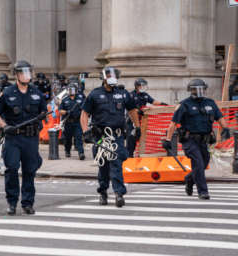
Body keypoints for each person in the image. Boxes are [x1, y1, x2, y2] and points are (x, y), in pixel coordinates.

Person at [0, 60, 47, 215]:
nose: (27, 75)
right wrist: (4, 126)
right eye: (24, 72)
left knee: (30, 171)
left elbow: (44, 111)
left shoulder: (36, 92)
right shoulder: (8, 92)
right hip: (13, 138)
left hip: (31, 138)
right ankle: (12, 202)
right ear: (16, 74)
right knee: (12, 169)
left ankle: (28, 203)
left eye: (29, 72)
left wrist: (42, 116)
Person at [80, 66, 140, 207]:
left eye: (114, 75)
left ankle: (119, 194)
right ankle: (103, 192)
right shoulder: (95, 94)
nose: (112, 78)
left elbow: (132, 110)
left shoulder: (123, 93)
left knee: (116, 162)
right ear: (104, 78)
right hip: (101, 136)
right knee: (104, 166)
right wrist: (85, 131)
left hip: (117, 135)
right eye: (109, 75)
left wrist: (137, 127)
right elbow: (84, 114)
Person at [163, 79, 230, 200]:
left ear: (205, 89)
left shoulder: (210, 103)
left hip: (204, 140)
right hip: (190, 140)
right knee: (198, 163)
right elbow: (173, 123)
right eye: (195, 89)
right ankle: (203, 191)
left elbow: (219, 117)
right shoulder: (184, 104)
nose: (199, 91)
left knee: (203, 164)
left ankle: (189, 179)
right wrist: (167, 140)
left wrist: (225, 128)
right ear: (190, 90)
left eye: (201, 89)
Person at [126, 78, 168, 157]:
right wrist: (138, 111)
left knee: (139, 137)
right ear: (137, 86)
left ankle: (138, 154)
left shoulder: (145, 95)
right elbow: (130, 108)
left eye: (144, 86)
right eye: (142, 86)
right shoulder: (131, 95)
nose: (143, 87)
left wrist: (163, 103)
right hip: (132, 121)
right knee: (131, 138)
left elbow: (153, 101)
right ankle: (129, 155)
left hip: (142, 121)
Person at [59, 84, 85, 160]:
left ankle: (81, 153)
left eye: (73, 90)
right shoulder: (64, 99)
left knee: (79, 137)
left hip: (77, 122)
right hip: (68, 122)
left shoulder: (81, 98)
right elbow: (60, 111)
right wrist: (67, 112)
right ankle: (67, 151)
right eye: (70, 90)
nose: (72, 91)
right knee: (68, 138)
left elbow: (84, 110)